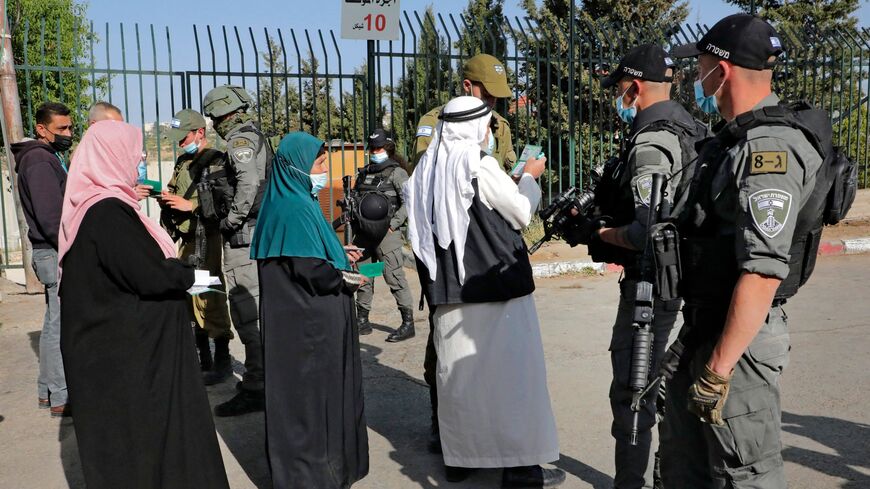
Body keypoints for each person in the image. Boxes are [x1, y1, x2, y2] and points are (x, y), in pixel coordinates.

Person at [661, 14, 827, 487]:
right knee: (685, 463)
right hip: (709, 324)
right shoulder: (735, 139)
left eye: (701, 66)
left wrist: (718, 370)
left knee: (744, 474)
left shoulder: (768, 149)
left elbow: (762, 271)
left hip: (739, 344)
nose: (696, 76)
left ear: (723, 70)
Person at [565, 44, 709, 489]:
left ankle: (630, 482)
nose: (620, 97)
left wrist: (598, 234)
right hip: (691, 281)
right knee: (671, 386)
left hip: (653, 287)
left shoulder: (651, 142)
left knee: (634, 389)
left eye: (621, 88)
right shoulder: (693, 127)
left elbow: (647, 228)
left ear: (635, 87)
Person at [57, 120, 229, 489]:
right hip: (122, 359)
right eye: (135, 157)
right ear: (112, 157)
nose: (139, 164)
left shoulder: (96, 205)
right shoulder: (106, 212)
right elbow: (145, 273)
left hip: (112, 351)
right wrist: (185, 275)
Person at [405, 95, 565, 487]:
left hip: (448, 293)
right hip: (498, 291)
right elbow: (520, 212)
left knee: (461, 382)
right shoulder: (479, 164)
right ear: (477, 126)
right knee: (514, 379)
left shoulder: (425, 169)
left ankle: (462, 459)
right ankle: (522, 468)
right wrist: (530, 177)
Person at [251, 131, 369, 489]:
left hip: (302, 325)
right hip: (308, 330)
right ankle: (314, 476)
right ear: (295, 167)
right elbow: (309, 270)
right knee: (311, 404)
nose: (322, 172)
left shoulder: (290, 200)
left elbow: (307, 252)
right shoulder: (294, 207)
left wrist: (337, 252)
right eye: (318, 164)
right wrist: (346, 279)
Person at [199, 84, 271, 416]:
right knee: (255, 313)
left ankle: (258, 387)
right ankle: (263, 379)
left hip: (245, 239)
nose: (213, 123)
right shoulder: (253, 135)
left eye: (214, 116)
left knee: (248, 315)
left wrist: (231, 220)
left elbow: (247, 181)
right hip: (256, 236)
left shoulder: (240, 139)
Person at [159, 109, 235, 384]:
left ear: (200, 133)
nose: (179, 142)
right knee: (190, 297)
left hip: (206, 238)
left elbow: (225, 199)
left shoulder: (215, 161)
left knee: (209, 294)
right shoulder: (183, 162)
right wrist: (166, 198)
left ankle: (222, 360)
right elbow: (175, 187)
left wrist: (191, 205)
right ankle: (204, 357)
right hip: (186, 239)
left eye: (184, 137)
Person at [11, 102, 73, 417]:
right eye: (61, 129)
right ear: (41, 128)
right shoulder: (39, 161)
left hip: (50, 250)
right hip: (54, 250)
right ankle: (60, 395)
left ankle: (50, 392)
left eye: (70, 127)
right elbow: (52, 219)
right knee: (60, 326)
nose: (68, 134)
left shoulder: (43, 158)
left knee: (53, 324)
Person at [352, 128, 415, 342]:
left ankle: (408, 323)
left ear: (387, 148)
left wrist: (394, 225)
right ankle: (362, 320)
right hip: (364, 234)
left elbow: (410, 202)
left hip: (387, 235)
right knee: (365, 275)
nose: (374, 152)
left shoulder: (397, 173)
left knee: (393, 276)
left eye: (378, 148)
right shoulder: (364, 173)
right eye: (372, 148)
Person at [412, 53, 517, 172]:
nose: (492, 102)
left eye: (496, 96)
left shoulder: (500, 125)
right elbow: (423, 173)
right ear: (467, 86)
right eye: (487, 95)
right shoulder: (435, 121)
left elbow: (507, 170)